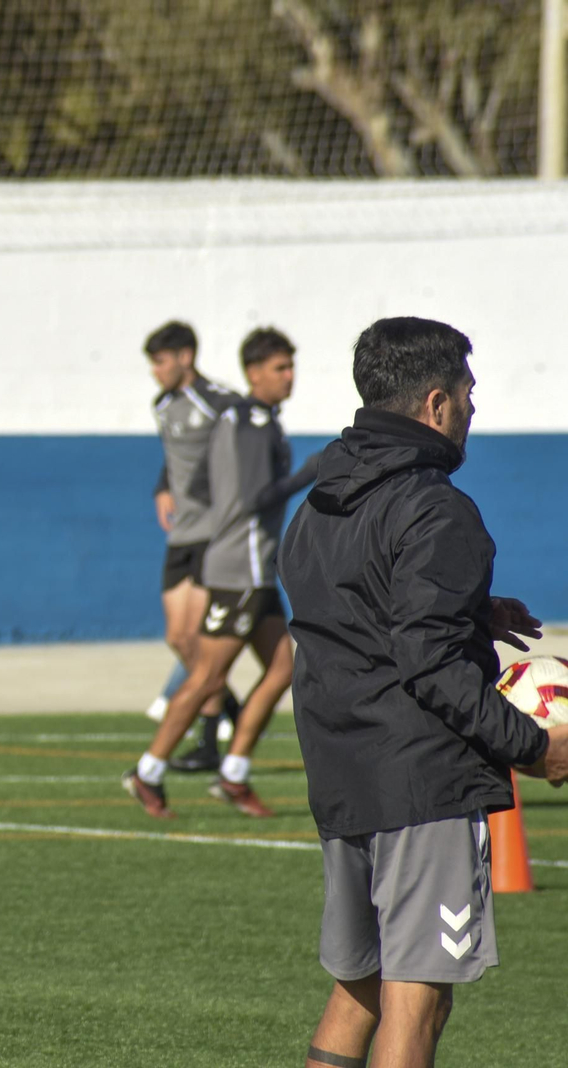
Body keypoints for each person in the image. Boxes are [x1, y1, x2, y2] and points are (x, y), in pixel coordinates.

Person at [280, 317, 568, 1068]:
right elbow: (429, 664)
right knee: (418, 1000)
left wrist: (472, 610)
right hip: (421, 786)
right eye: (468, 392)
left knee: (360, 988)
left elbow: (351, 612)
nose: (474, 407)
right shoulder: (435, 507)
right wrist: (533, 747)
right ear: (437, 403)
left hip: (342, 776)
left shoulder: (320, 502)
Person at [126, 327, 318, 818]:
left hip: (253, 565)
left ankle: (233, 773)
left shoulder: (242, 417)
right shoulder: (250, 421)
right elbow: (256, 497)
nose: (289, 376)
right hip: (241, 568)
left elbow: (201, 482)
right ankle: (148, 771)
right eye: (280, 368)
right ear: (253, 373)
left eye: (291, 366)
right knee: (208, 673)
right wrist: (314, 470)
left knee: (283, 669)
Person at [143, 320, 242, 769]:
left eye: (160, 361)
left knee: (201, 643)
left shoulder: (220, 403)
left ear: (185, 357)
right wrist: (163, 486)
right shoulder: (163, 405)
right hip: (180, 534)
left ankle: (208, 743)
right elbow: (174, 456)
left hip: (212, 535)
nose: (155, 371)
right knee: (178, 638)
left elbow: (246, 446)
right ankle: (234, 709)